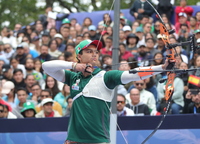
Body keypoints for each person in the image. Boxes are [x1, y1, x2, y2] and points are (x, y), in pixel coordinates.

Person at [42, 39, 170, 144]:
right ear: (79, 56)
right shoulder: (72, 78)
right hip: (74, 141)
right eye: (89, 51)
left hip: (98, 141)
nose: (94, 54)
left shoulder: (106, 77)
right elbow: (46, 66)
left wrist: (162, 68)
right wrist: (74, 66)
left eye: (96, 52)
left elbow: (133, 74)